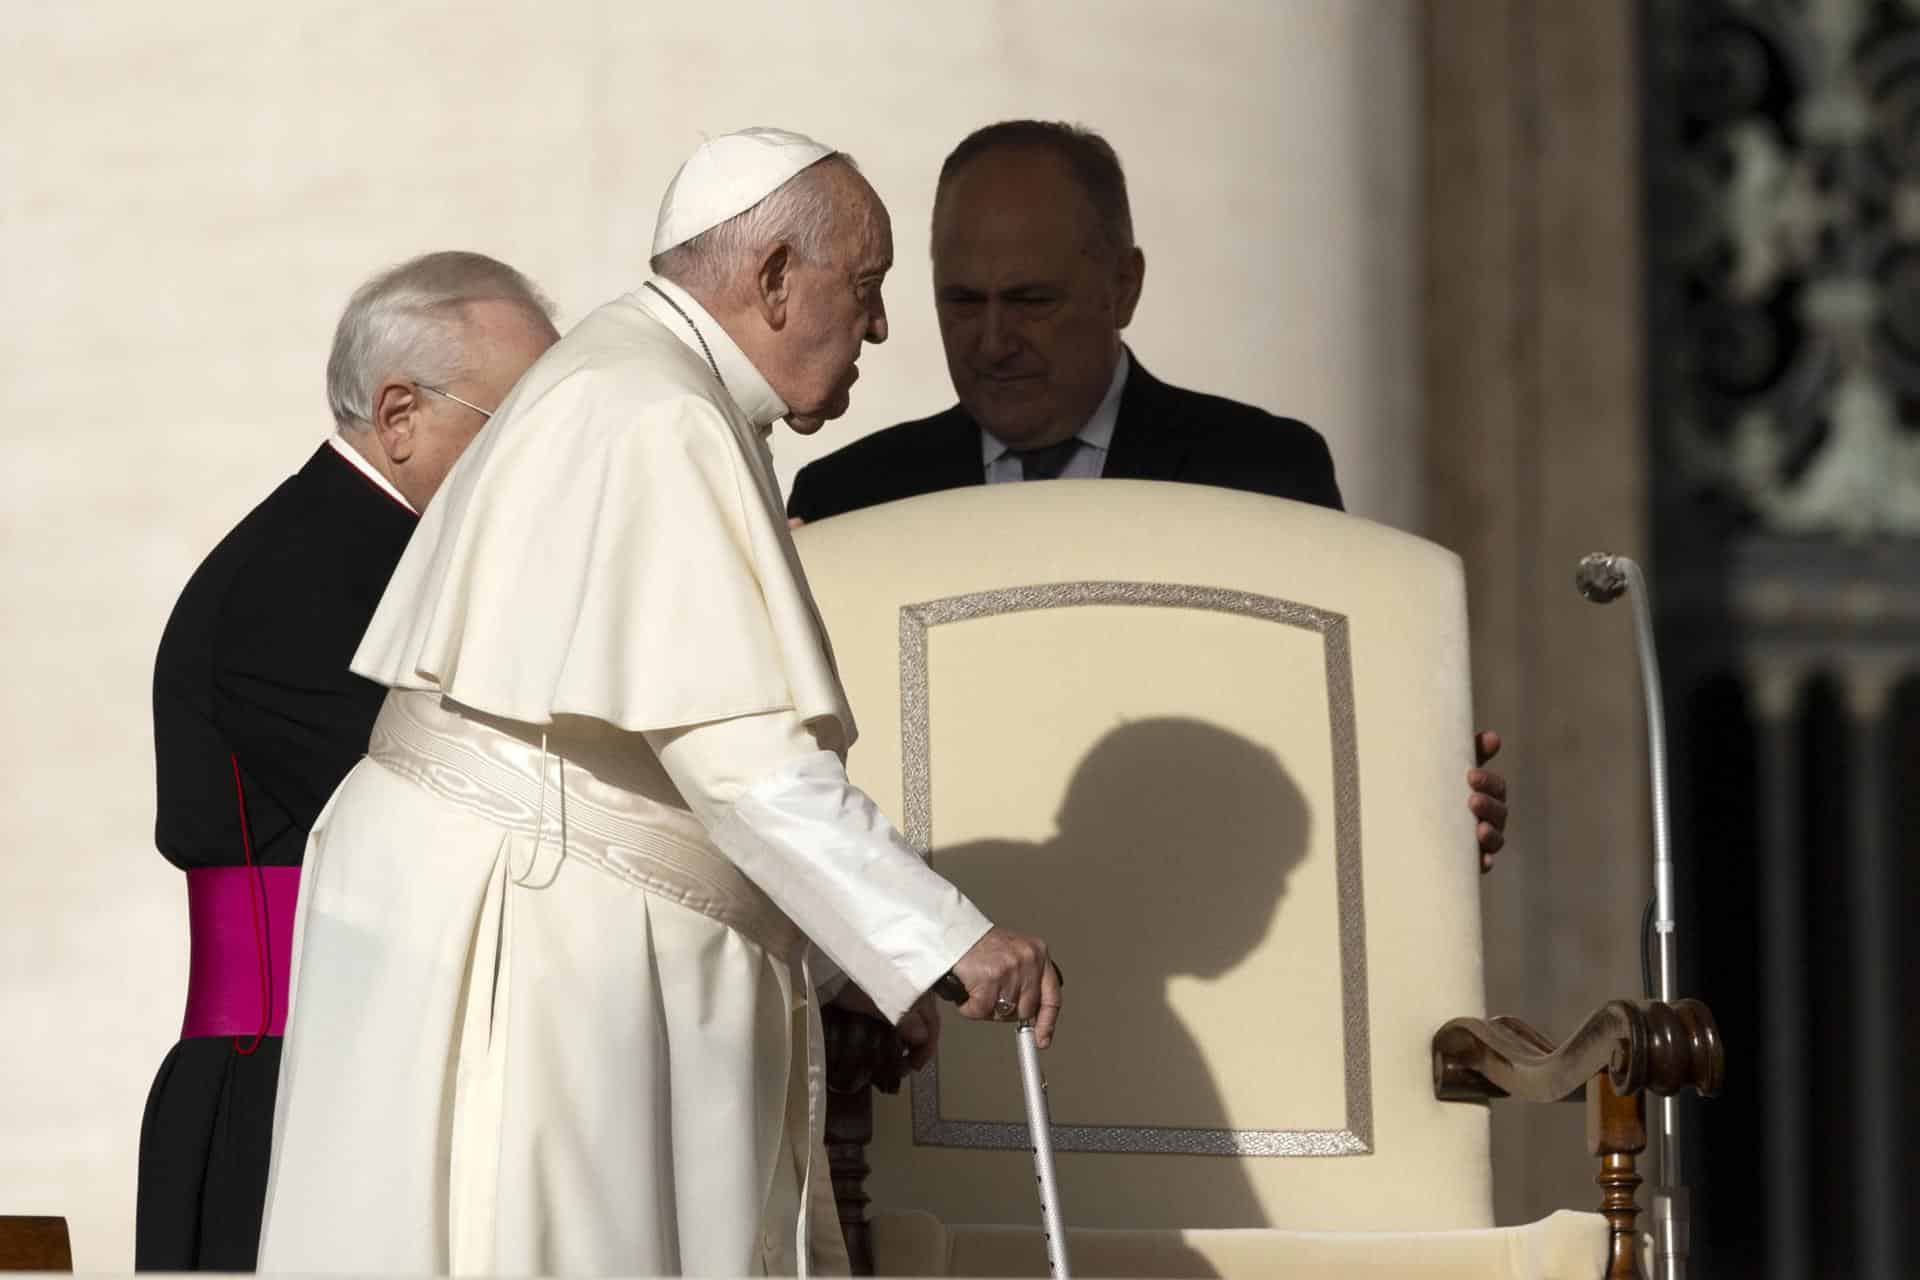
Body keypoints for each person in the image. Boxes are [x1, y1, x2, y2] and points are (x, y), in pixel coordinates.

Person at [256, 128, 1060, 1278]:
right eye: (867, 289)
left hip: (508, 889)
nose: (880, 328)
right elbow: (741, 765)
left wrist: (850, 960)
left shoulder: (632, 379)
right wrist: (950, 941)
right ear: (777, 276)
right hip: (536, 928)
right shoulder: (657, 409)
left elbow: (645, 750)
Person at [788, 120, 1507, 864]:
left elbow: (1326, 733)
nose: (993, 340)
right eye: (964, 301)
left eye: (1031, 299)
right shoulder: (854, 501)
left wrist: (1429, 807)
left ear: (1123, 287)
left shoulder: (1261, 477)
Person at [137, 251, 559, 1271]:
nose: (552, 459)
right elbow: (462, 816)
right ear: (400, 411)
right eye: (526, 425)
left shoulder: (392, 557)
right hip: (284, 1089)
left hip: (378, 1067)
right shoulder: (300, 579)